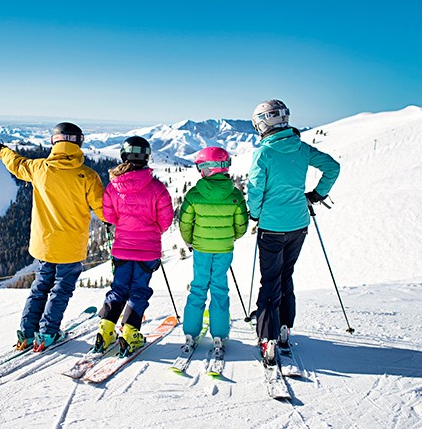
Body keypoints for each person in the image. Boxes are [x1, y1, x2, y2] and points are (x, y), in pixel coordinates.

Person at [0, 122, 105, 352]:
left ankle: (26, 332)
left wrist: (3, 151)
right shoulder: (87, 176)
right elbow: (104, 211)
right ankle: (48, 331)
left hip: (44, 244)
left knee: (41, 285)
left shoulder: (38, 168)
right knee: (61, 288)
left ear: (54, 142)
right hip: (70, 246)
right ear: (79, 142)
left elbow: (16, 164)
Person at [247, 99, 340, 365]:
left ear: (263, 122)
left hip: (272, 227)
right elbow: (333, 167)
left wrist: (255, 212)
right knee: (286, 275)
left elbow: (255, 189)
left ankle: (268, 337)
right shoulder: (300, 147)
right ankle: (285, 328)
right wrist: (317, 194)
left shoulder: (263, 154)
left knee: (270, 280)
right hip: (298, 224)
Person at [95, 136, 173, 357]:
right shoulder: (157, 188)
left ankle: (106, 329)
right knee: (138, 290)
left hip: (122, 247)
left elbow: (109, 216)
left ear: (123, 155)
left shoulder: (113, 187)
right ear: (147, 157)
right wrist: (151, 230)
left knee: (119, 288)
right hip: (147, 250)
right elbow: (165, 220)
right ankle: (129, 333)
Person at [179, 147, 248, 356]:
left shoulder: (194, 194)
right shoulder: (235, 194)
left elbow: (185, 223)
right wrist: (230, 237)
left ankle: (191, 332)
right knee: (219, 288)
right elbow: (242, 225)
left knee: (198, 287)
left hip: (201, 248)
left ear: (207, 169)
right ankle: (219, 334)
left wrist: (190, 241)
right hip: (224, 250)